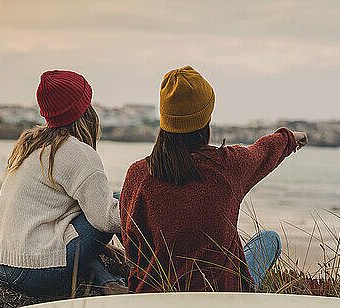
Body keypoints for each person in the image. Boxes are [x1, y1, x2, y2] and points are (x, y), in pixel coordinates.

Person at [119, 66, 308, 293]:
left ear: (165, 118)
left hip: (154, 295)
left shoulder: (138, 175)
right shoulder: (229, 165)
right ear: (206, 117)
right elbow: (264, 151)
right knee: (269, 240)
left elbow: (132, 247)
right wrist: (290, 138)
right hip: (223, 296)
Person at [0, 70, 128, 296]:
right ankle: (146, 271)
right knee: (118, 203)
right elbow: (106, 219)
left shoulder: (31, 146)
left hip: (4, 267)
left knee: (87, 209)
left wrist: (101, 247)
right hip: (36, 272)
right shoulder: (77, 152)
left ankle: (107, 282)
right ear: (85, 110)